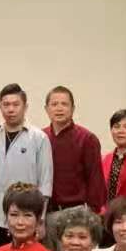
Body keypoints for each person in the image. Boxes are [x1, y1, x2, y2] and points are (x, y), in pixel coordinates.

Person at [0, 84, 53, 247]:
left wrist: (40, 219)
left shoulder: (39, 138)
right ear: (0, 107)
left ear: (25, 107)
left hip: (26, 218)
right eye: (6, 105)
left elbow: (45, 182)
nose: (10, 109)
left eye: (16, 104)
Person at [43, 86, 106, 216]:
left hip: (77, 213)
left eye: (64, 104)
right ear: (47, 109)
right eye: (54, 104)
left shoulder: (87, 139)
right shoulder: (41, 137)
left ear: (73, 109)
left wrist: (93, 212)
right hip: (46, 212)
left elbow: (95, 180)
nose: (59, 108)